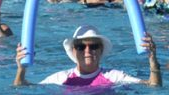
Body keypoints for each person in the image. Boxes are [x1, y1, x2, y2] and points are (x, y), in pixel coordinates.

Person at [14, 25, 161, 88]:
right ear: (73, 51)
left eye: (93, 46)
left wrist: (153, 60)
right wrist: (21, 69)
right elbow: (21, 90)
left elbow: (153, 87)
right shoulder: (61, 79)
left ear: (101, 49)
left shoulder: (114, 76)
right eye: (81, 46)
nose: (87, 50)